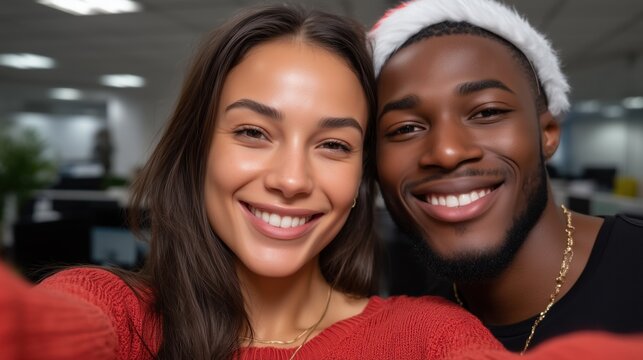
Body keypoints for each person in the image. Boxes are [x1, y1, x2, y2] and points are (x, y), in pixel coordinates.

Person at [33, 4, 504, 359]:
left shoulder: (425, 337)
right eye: (253, 133)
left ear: (361, 177)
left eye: (334, 145)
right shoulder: (118, 315)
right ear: (198, 151)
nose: (292, 180)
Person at [370, 0, 643, 353]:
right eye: (405, 128)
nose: (447, 152)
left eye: (487, 112)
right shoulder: (414, 329)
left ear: (546, 133)